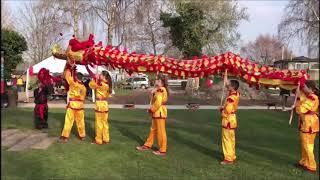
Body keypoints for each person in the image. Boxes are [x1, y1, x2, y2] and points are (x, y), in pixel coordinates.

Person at [136, 74, 169, 156]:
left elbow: (158, 103)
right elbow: (154, 100)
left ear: (162, 82)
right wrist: (152, 93)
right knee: (153, 130)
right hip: (157, 112)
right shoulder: (158, 89)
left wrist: (151, 110)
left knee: (161, 132)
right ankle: (147, 145)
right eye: (156, 80)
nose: (156, 81)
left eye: (158, 80)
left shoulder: (161, 90)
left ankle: (162, 150)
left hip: (159, 112)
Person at [294, 80, 319, 172]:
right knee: (304, 144)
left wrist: (298, 99)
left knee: (308, 145)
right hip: (306, 123)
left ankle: (311, 165)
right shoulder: (309, 96)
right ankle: (304, 162)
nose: (303, 88)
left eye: (304, 87)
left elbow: (301, 110)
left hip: (310, 124)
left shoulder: (312, 97)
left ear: (311, 89)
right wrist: (299, 96)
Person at [60, 64, 87, 142]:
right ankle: (82, 136)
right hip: (80, 106)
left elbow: (66, 75)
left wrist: (69, 67)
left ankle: (65, 136)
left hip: (72, 105)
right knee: (80, 121)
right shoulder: (84, 88)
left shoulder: (72, 83)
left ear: (76, 77)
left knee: (68, 120)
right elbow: (83, 97)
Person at [87, 67, 112, 145]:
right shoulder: (108, 84)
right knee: (105, 122)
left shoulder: (101, 84)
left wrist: (95, 78)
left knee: (99, 123)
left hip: (100, 104)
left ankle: (98, 140)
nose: (99, 75)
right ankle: (106, 138)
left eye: (101, 74)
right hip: (105, 104)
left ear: (104, 76)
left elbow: (90, 85)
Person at [219, 79, 240, 165]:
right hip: (232, 119)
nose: (227, 85)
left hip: (228, 119)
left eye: (229, 85)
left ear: (232, 87)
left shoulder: (231, 98)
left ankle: (228, 159)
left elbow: (228, 110)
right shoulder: (236, 94)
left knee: (227, 139)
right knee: (231, 139)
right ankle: (232, 156)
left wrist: (221, 110)